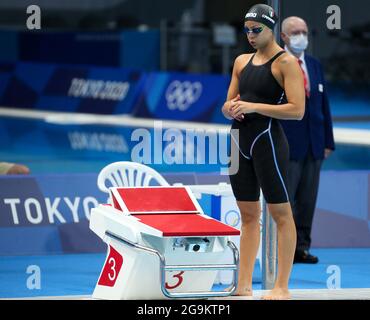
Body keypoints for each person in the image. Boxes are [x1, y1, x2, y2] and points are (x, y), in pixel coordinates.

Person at [222, 4, 305, 300]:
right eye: (247, 30)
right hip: (238, 141)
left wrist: (254, 106)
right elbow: (227, 103)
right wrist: (230, 107)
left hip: (268, 141)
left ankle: (281, 286)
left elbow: (297, 110)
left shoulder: (285, 63)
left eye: (256, 30)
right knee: (247, 215)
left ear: (271, 29)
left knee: (281, 214)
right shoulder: (241, 61)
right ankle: (243, 285)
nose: (250, 35)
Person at [280, 17, 335, 264]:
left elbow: (324, 105)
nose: (301, 36)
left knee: (307, 200)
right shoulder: (276, 65)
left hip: (315, 144)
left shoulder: (314, 65)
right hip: (288, 143)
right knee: (285, 201)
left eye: (304, 31)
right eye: (295, 32)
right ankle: (282, 249)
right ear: (284, 37)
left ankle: (301, 248)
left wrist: (328, 141)